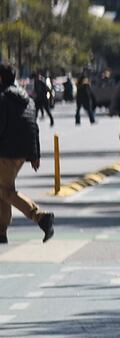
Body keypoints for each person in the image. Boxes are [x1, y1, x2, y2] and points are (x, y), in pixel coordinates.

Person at [0, 64, 54, 244]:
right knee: (3, 189)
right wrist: (34, 155)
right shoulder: (26, 98)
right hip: (21, 153)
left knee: (6, 191)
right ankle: (1, 231)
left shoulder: (3, 98)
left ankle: (40, 217)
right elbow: (33, 127)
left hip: (6, 152)